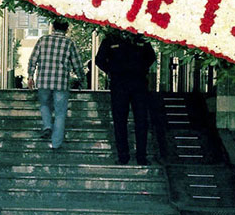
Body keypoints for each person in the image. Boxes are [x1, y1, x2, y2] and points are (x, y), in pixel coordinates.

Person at [95, 30, 157, 165]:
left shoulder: (140, 38)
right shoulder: (111, 39)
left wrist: (141, 68)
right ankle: (123, 156)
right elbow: (99, 60)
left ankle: (141, 157)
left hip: (139, 84)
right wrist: (111, 70)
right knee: (119, 121)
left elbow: (151, 57)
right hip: (119, 84)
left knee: (141, 121)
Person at [26, 18, 86, 150]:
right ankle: (56, 144)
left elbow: (33, 59)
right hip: (61, 83)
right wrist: (82, 78)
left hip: (43, 81)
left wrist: (30, 76)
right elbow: (77, 64)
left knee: (44, 105)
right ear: (67, 29)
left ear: (53, 27)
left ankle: (47, 126)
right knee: (60, 113)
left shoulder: (42, 40)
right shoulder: (69, 43)